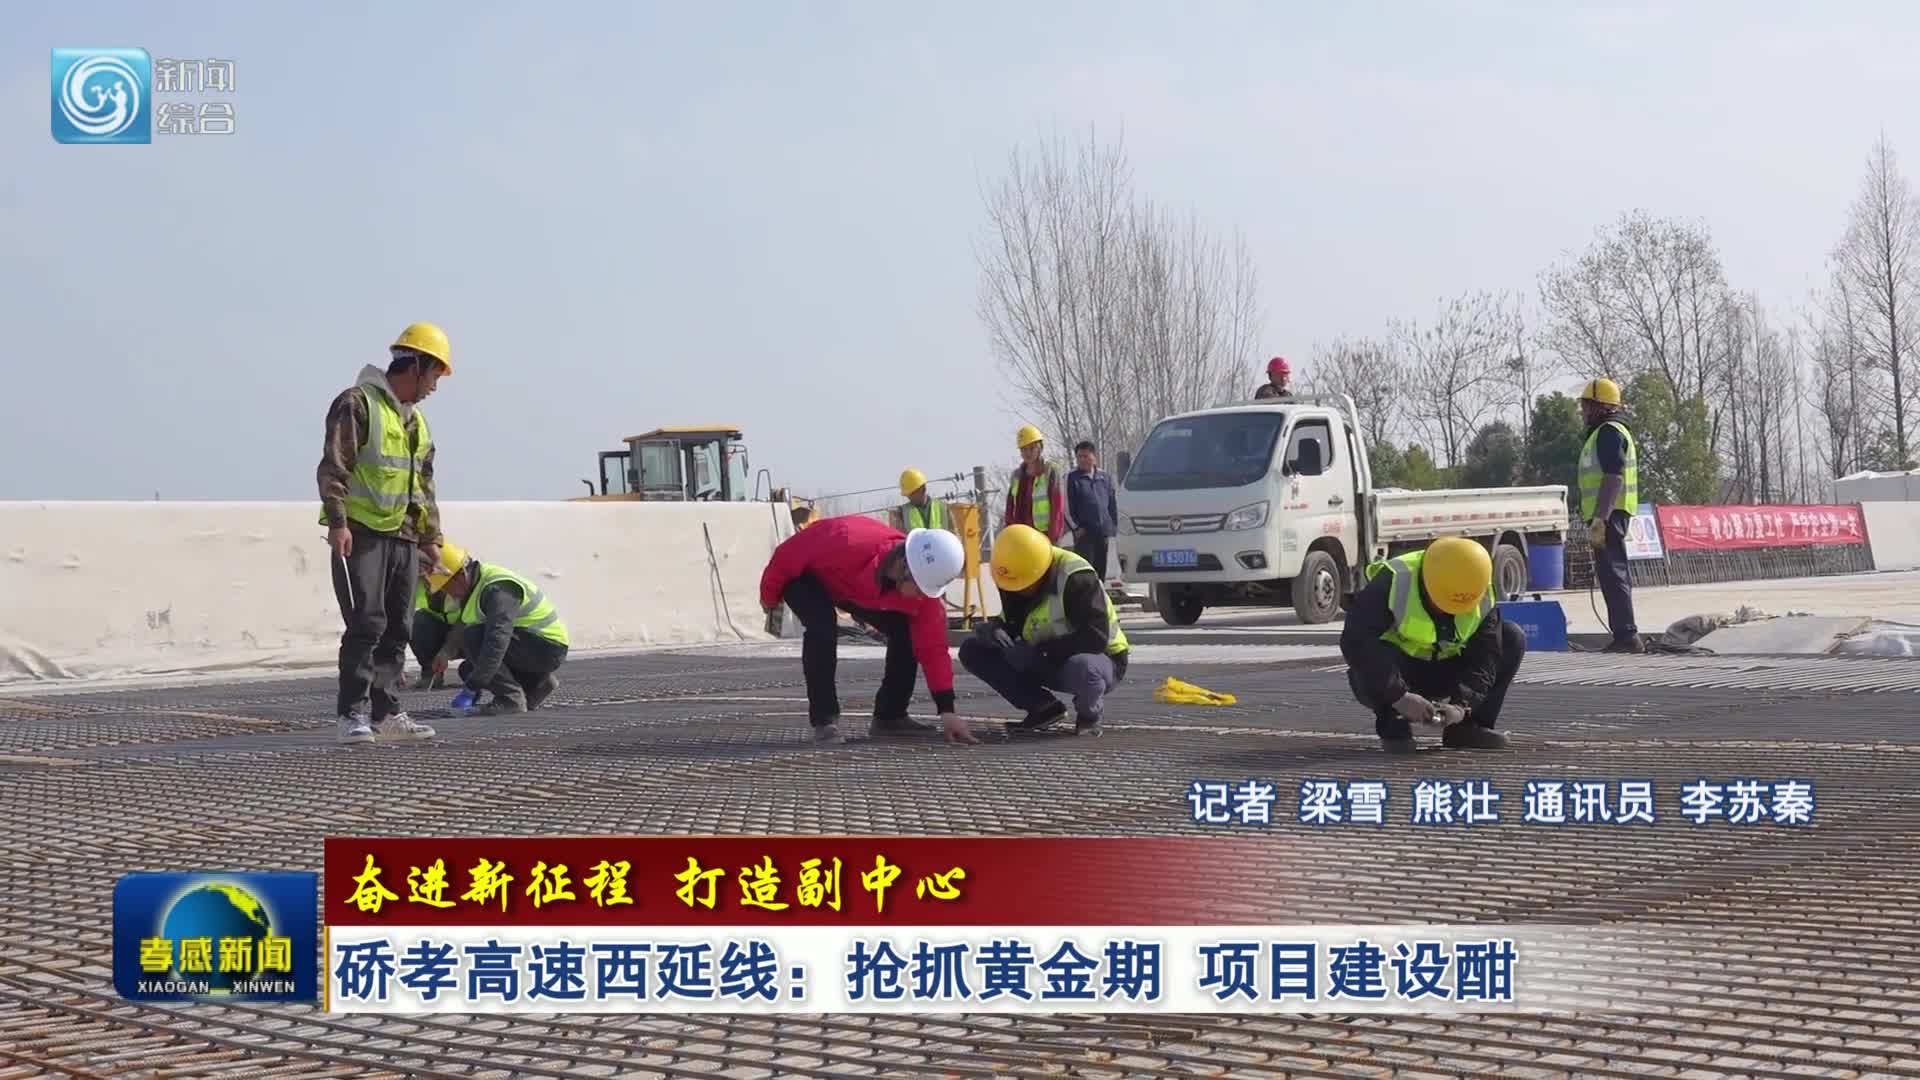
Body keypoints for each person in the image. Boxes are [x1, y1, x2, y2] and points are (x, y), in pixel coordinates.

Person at [318, 322, 450, 745]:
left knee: (398, 628)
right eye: (434, 376)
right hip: (362, 533)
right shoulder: (357, 404)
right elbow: (335, 466)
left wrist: (430, 538)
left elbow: (424, 484)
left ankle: (386, 712)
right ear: (416, 366)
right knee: (366, 624)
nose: (434, 388)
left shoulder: (418, 423)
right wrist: (338, 523)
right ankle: (352, 714)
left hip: (404, 538)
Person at [759, 516, 974, 746]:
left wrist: (947, 709)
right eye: (921, 589)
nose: (923, 596)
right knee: (822, 626)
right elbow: (786, 557)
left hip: (854, 589)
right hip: (806, 576)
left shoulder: (923, 595)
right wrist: (769, 599)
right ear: (905, 568)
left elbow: (934, 649)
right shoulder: (845, 539)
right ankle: (824, 721)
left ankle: (890, 717)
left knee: (907, 632)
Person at [1339, 536, 1526, 754]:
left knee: (1511, 637)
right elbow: (1356, 641)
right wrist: (1398, 696)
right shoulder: (1393, 581)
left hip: (1446, 672)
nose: (1448, 613)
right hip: (1398, 674)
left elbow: (1486, 657)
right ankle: (1394, 727)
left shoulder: (1479, 590)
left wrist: (1462, 706)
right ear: (1426, 583)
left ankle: (1467, 728)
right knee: (1368, 655)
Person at [961, 524, 1130, 737]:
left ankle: (1089, 716)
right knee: (973, 650)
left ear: (1040, 573)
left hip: (1102, 659)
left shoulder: (1076, 577)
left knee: (1086, 669)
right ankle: (1043, 708)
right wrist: (994, 630)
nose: (1017, 592)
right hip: (1042, 656)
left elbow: (1095, 637)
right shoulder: (1013, 576)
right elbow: (1011, 622)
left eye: (1023, 586)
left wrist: (1042, 653)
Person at [427, 545, 570, 715]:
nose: (447, 593)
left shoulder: (497, 589)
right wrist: (445, 653)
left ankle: (511, 700)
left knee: (474, 638)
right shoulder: (475, 587)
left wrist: (472, 688)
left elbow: (496, 641)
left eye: (446, 587)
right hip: (530, 646)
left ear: (460, 575)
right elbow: (463, 624)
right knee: (468, 669)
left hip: (546, 648)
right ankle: (538, 684)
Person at [1578, 377, 1644, 653]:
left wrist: (1600, 518)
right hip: (1610, 514)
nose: (1583, 411)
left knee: (1613, 572)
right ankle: (1623, 635)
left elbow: (1613, 476)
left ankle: (1627, 636)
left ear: (1601, 406)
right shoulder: (1606, 431)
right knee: (1610, 574)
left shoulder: (1608, 432)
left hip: (1609, 515)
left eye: (1587, 405)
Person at [409, 547, 464, 689]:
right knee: (416, 621)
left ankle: (486, 672)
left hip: (469, 635)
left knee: (469, 670)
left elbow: (465, 623)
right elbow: (395, 621)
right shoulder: (417, 586)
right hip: (444, 632)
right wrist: (392, 663)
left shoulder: (463, 585)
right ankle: (432, 673)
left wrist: (446, 651)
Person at [1065, 441, 1118, 583]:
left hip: (1102, 533)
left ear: (1094, 457)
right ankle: (1085, 596)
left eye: (1085, 456)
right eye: (1079, 457)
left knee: (1101, 573)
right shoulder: (1072, 478)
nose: (1082, 460)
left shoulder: (1104, 477)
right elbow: (1066, 507)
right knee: (1085, 573)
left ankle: (1100, 595)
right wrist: (1076, 528)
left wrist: (1114, 525)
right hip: (1084, 534)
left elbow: (1112, 503)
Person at [1004, 425, 1066, 543]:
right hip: (1022, 537)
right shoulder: (1017, 476)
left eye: (1032, 448)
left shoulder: (1050, 471)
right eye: (1023, 449)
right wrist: (1010, 533)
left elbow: (1057, 506)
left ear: (1040, 448)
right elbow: (1010, 508)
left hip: (1045, 536)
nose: (1028, 453)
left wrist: (1053, 537)